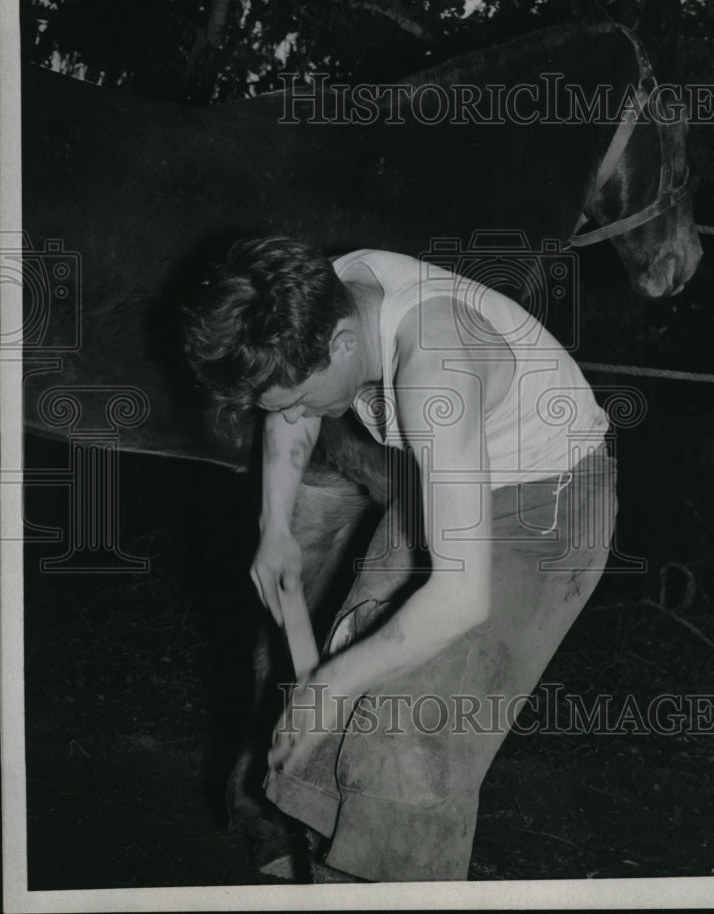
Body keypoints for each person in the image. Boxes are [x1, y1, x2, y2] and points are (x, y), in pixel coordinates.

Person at [183, 235, 617, 882]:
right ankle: (329, 867)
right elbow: (287, 399)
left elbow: (460, 597)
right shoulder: (319, 301)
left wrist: (327, 686)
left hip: (546, 502)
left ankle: (388, 882)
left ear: (341, 347)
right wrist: (275, 527)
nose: (297, 414)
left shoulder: (434, 362)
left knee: (403, 728)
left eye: (302, 397)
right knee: (341, 685)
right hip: (446, 478)